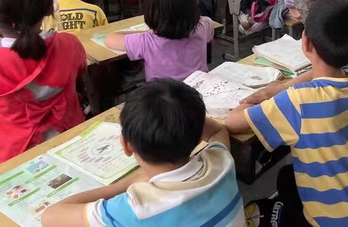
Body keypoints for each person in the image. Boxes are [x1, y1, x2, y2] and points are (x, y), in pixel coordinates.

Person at [225, 0, 348, 226]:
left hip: (333, 221)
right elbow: (315, 75)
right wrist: (277, 89)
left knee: (272, 210)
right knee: (286, 178)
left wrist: (254, 97)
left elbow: (232, 122)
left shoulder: (299, 101)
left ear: (306, 43)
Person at [42, 79, 244, 226]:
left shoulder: (136, 209)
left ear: (126, 145)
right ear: (198, 135)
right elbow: (217, 131)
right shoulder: (221, 162)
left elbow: (50, 216)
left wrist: (127, 184)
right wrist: (185, 117)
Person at [0, 0, 87, 163]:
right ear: (50, 8)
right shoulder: (68, 44)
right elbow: (80, 70)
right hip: (72, 142)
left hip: (15, 158)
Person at [105, 0, 214, 81]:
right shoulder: (203, 27)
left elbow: (110, 39)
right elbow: (206, 20)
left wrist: (148, 31)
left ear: (151, 10)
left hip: (162, 92)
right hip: (199, 89)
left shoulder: (146, 41)